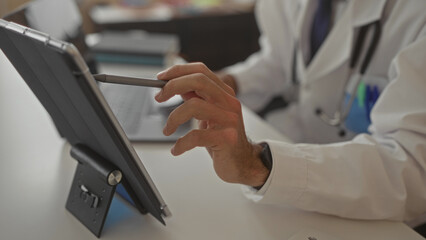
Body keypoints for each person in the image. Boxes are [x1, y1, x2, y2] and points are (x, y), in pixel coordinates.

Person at [154, 0, 426, 229]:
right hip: (296, 147)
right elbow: (279, 59)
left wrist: (257, 164)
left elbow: (412, 169)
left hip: (374, 200)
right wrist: (228, 84)